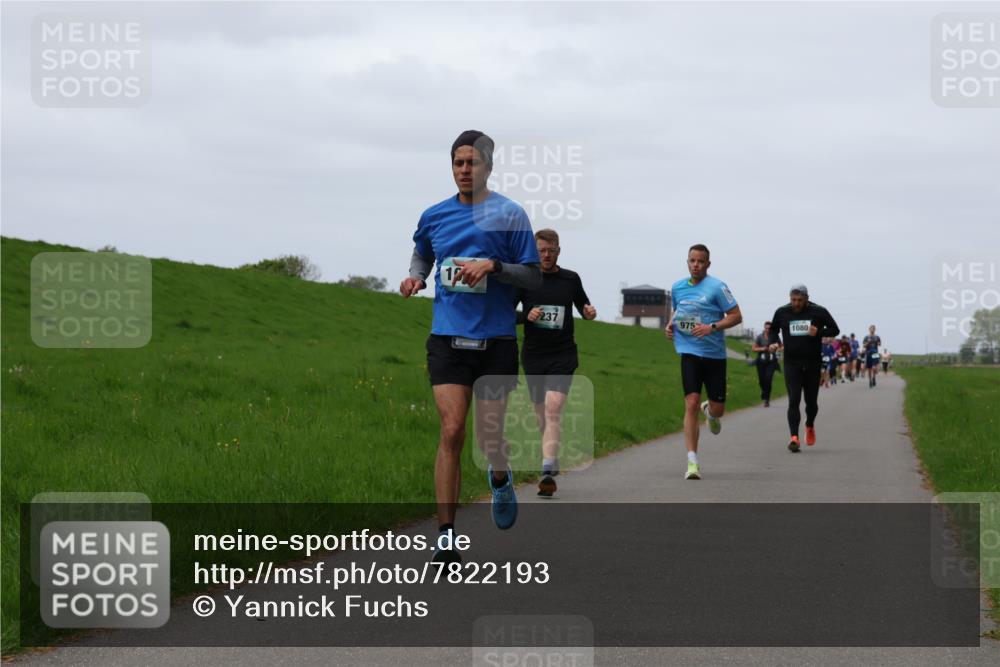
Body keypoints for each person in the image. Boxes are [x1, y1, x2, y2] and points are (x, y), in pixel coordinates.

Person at [400, 130, 542, 563]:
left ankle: (500, 478)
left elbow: (533, 276)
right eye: (458, 163)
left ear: (489, 167)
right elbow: (422, 252)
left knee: (491, 434)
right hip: (447, 339)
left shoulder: (510, 215)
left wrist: (495, 266)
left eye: (473, 163)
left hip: (496, 339)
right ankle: (446, 536)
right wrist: (417, 277)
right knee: (452, 430)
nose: (465, 170)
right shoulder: (435, 215)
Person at [513, 228, 596, 497]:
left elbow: (584, 306)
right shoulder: (525, 279)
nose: (546, 255)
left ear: (559, 251)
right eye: (541, 251)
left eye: (551, 251)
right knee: (542, 414)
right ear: (534, 251)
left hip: (563, 353)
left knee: (553, 407)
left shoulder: (570, 279)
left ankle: (546, 469)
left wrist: (589, 311)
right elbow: (507, 313)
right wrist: (527, 315)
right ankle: (552, 454)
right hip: (534, 354)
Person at [665, 244, 743, 480]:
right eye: (692, 261)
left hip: (714, 355)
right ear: (687, 262)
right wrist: (670, 325)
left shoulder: (718, 287)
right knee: (690, 403)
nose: (695, 265)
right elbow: (678, 312)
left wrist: (712, 327)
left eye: (700, 261)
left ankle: (710, 412)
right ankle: (692, 462)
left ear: (708, 264)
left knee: (718, 409)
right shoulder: (677, 287)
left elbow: (737, 316)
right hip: (688, 351)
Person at [768, 285, 840, 452]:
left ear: (807, 298)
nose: (796, 304)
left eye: (800, 300)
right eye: (793, 300)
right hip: (791, 363)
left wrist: (819, 332)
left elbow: (835, 330)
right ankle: (794, 437)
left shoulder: (819, 311)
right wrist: (774, 342)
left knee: (811, 402)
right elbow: (773, 330)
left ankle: (809, 425)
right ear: (790, 298)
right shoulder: (782, 312)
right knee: (794, 399)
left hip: (812, 363)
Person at [751, 321, 781, 406]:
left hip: (771, 362)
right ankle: (763, 391)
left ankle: (766, 400)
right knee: (761, 380)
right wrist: (763, 349)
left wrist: (776, 347)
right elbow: (753, 349)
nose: (768, 330)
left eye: (769, 328)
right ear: (764, 328)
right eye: (766, 328)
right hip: (761, 361)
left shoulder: (775, 337)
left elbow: (781, 346)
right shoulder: (760, 337)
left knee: (768, 379)